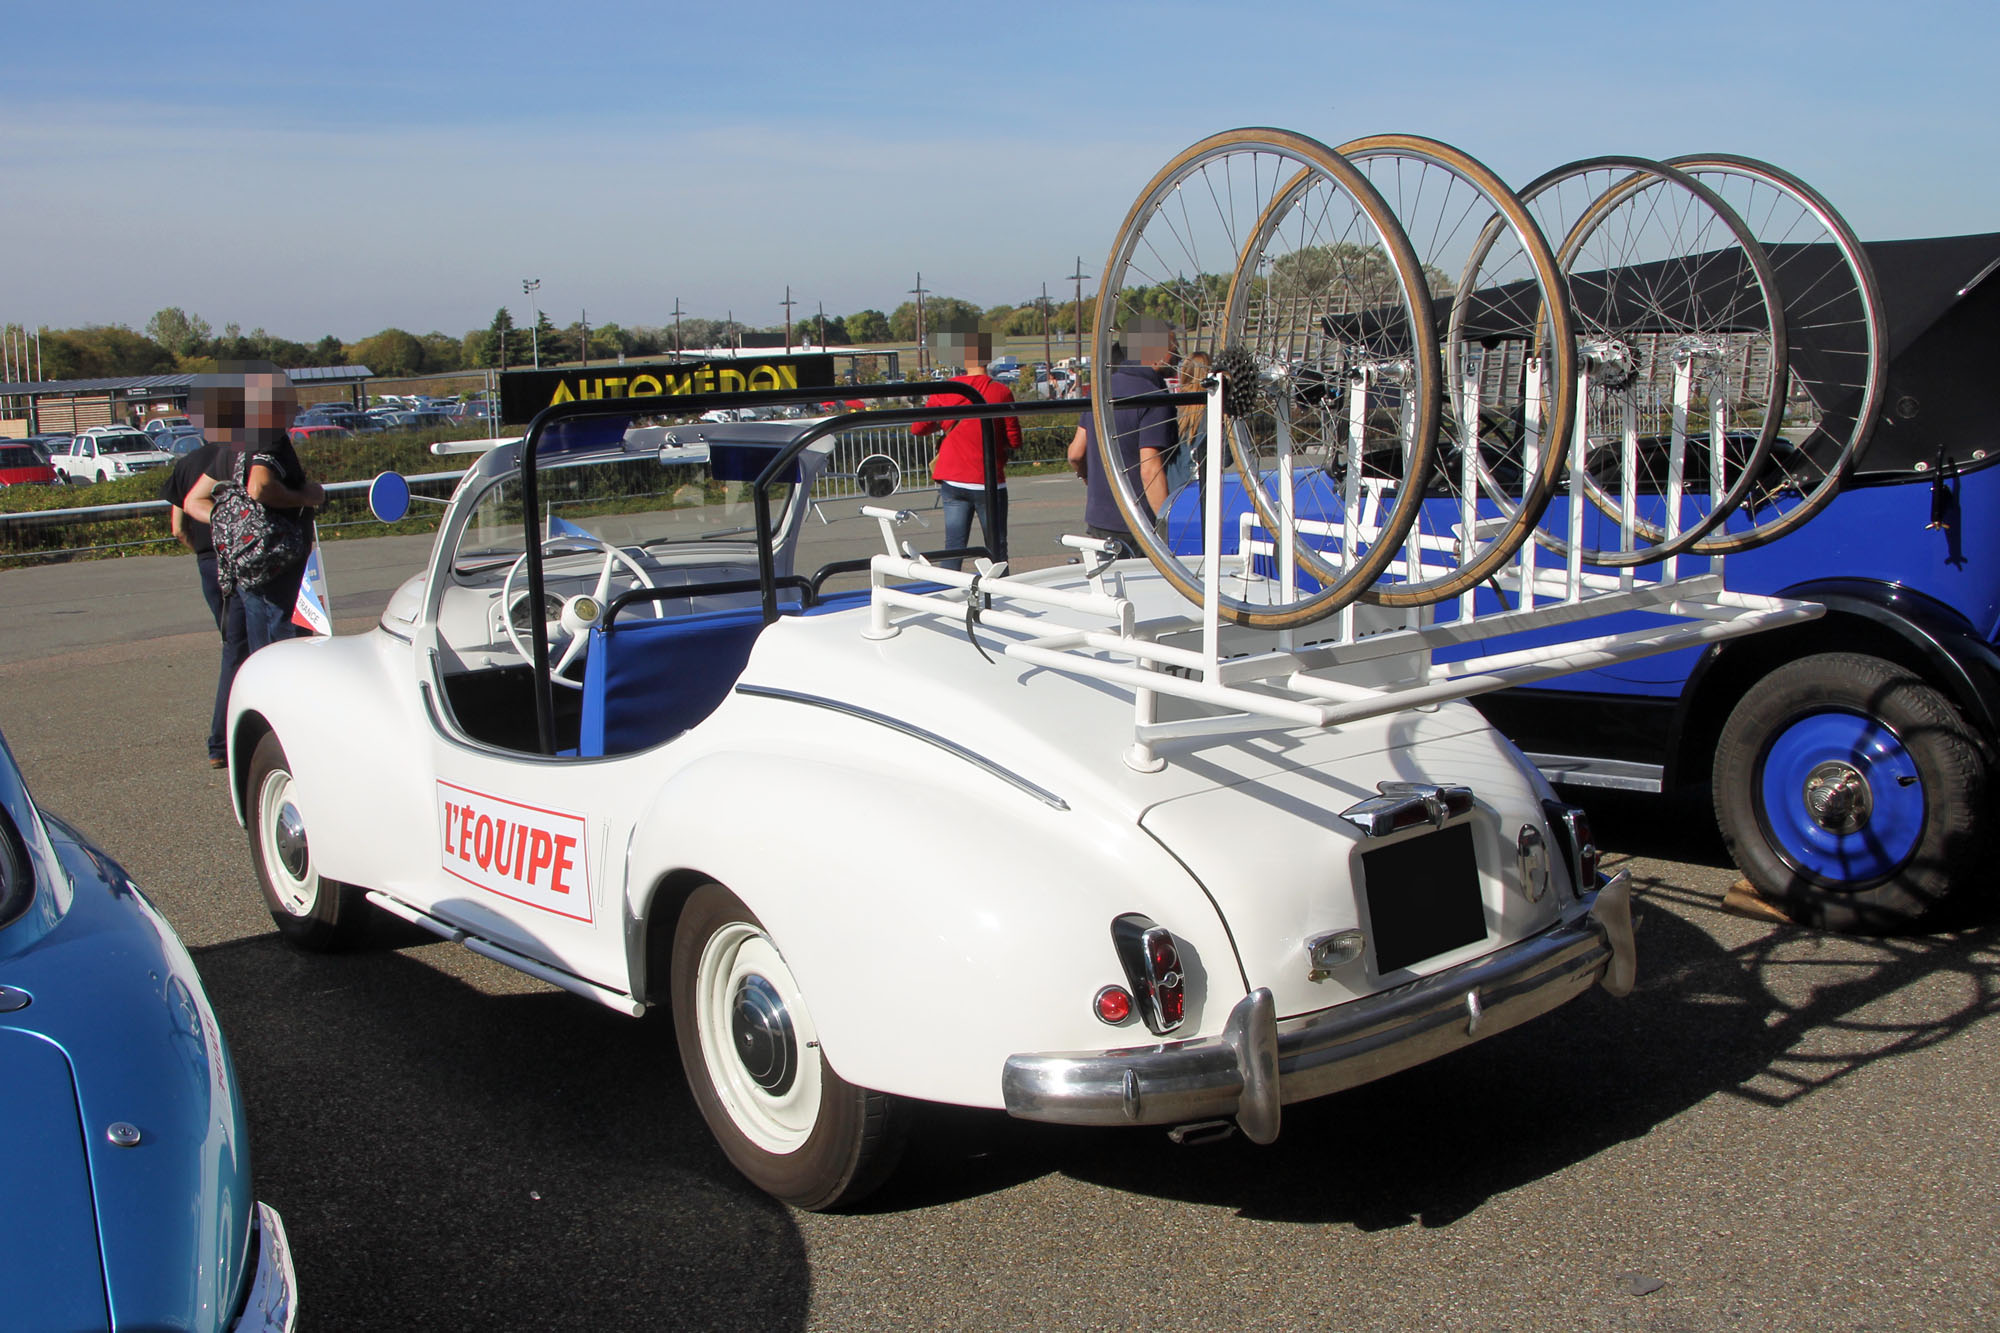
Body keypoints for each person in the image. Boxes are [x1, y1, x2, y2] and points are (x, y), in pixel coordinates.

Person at [182, 364, 327, 655]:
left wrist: (233, 524)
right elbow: (259, 487)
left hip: (246, 564)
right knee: (285, 640)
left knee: (258, 642)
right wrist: (306, 496)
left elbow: (192, 501)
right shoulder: (270, 437)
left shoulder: (232, 445)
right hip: (278, 559)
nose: (295, 412)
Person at [162, 434, 248, 769]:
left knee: (231, 644)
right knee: (241, 650)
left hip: (207, 563)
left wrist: (202, 554)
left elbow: (177, 528)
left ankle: (223, 741)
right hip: (241, 558)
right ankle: (223, 741)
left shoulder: (184, 465)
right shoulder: (240, 456)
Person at [910, 324, 1022, 571]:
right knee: (996, 547)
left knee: (954, 545)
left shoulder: (946, 391)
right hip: (989, 481)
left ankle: (951, 596)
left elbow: (918, 427)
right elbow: (1015, 439)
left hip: (953, 479)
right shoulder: (1001, 392)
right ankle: (1000, 595)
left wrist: (944, 426)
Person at [1066, 318, 1178, 548]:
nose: (1177, 353)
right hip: (1139, 521)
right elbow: (1150, 469)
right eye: (1172, 345)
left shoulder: (1101, 390)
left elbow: (1076, 453)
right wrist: (1167, 526)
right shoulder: (1156, 397)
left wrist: (1088, 476)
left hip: (1100, 518)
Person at [1166, 349, 1212, 498]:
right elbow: (1226, 457)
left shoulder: (1172, 409)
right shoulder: (1210, 413)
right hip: (1202, 489)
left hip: (1173, 489)